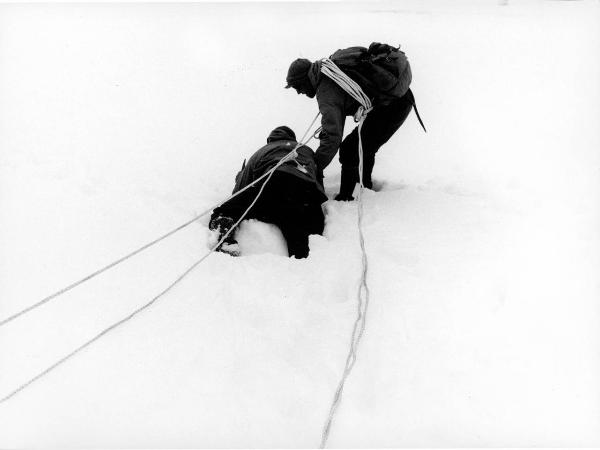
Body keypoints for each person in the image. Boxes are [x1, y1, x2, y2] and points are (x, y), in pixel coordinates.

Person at [285, 49, 416, 201]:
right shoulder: (329, 70)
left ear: (305, 79)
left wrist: (315, 167)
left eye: (297, 87)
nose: (298, 92)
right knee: (362, 144)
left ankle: (346, 198)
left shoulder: (326, 91)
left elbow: (333, 138)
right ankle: (363, 186)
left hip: (392, 107)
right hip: (397, 101)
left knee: (350, 149)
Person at [209, 126, 327, 259]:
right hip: (305, 195)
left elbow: (241, 189)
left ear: (270, 139)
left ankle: (224, 235)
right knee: (299, 231)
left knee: (227, 210)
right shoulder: (306, 150)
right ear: (292, 137)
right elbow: (318, 181)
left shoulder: (262, 151)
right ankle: (303, 263)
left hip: (272, 187)